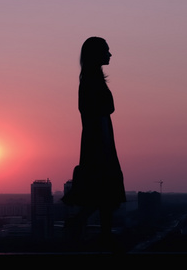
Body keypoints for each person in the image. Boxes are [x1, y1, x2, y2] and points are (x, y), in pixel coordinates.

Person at [61, 36, 126, 251]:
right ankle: (88, 227)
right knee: (104, 190)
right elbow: (100, 111)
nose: (110, 54)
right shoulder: (91, 80)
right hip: (99, 140)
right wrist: (104, 144)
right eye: (106, 50)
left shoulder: (91, 78)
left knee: (103, 192)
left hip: (98, 138)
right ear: (96, 53)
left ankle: (91, 229)